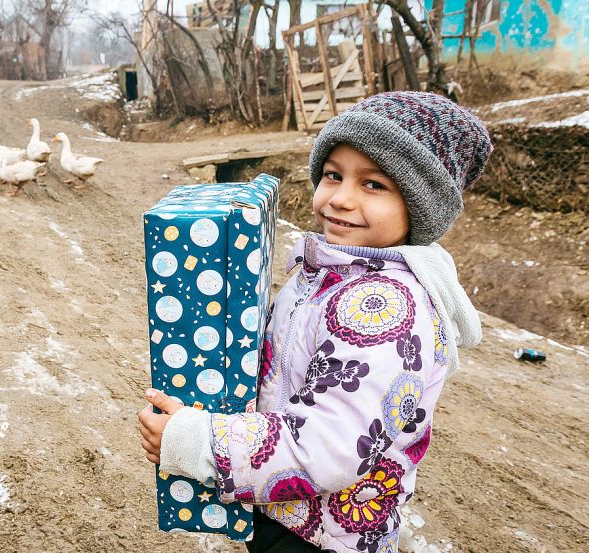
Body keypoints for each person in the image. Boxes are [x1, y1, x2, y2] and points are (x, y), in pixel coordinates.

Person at [139, 91, 492, 553]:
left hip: (322, 536)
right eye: (333, 175)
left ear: (420, 207)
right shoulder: (332, 272)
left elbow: (328, 445)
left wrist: (197, 441)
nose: (340, 199)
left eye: (373, 185)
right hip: (294, 513)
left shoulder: (381, 309)